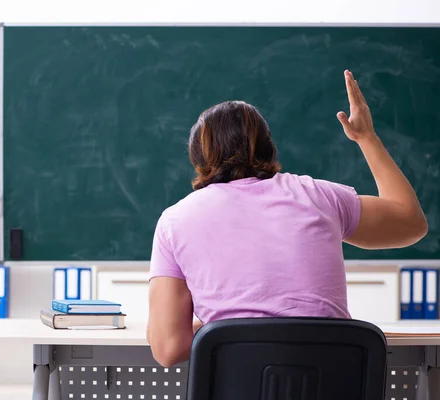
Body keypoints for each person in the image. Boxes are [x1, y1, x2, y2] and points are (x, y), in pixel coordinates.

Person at [146, 70, 428, 367]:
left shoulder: (175, 221)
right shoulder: (319, 197)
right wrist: (366, 138)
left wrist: (221, 326)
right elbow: (411, 223)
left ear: (198, 159)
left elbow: (169, 349)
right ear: (268, 146)